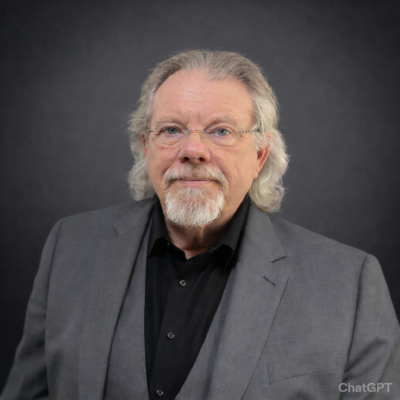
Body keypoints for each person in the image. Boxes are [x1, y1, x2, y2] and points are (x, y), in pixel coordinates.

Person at [1, 50, 399, 400]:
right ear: (146, 147)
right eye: (171, 130)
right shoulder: (70, 247)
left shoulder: (351, 285)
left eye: (221, 131)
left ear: (259, 155)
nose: (192, 150)